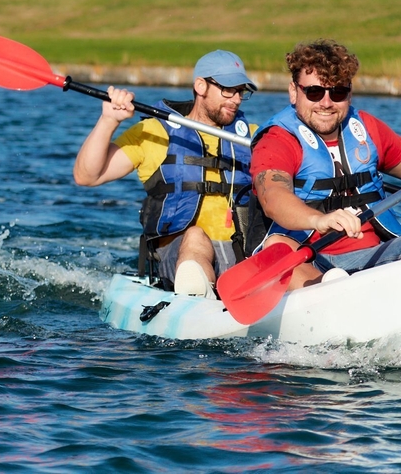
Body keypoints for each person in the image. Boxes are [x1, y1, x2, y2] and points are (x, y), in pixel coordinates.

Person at [73, 50, 257, 299]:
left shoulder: (252, 137)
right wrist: (109, 120)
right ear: (200, 86)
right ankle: (197, 294)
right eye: (227, 89)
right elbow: (87, 176)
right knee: (194, 236)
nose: (235, 99)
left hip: (240, 253)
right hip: (180, 256)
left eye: (241, 91)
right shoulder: (153, 132)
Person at [251, 38, 401, 289]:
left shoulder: (368, 129)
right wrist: (318, 220)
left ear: (349, 94)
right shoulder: (278, 140)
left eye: (338, 92)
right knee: (277, 246)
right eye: (314, 92)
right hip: (313, 259)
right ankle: (327, 290)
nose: (326, 103)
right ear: (293, 91)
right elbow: (273, 197)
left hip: (377, 255)